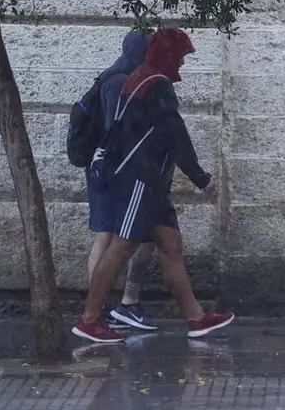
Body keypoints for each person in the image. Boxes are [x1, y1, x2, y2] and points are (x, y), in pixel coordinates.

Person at [72, 28, 235, 343]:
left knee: (171, 247)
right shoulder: (155, 85)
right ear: (168, 56)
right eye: (181, 58)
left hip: (149, 183)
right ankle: (89, 320)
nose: (183, 65)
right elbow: (175, 137)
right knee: (121, 247)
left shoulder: (141, 80)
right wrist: (202, 179)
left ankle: (197, 318)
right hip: (140, 181)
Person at [86, 30, 158, 332]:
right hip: (113, 170)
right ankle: (98, 312)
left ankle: (111, 308)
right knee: (108, 237)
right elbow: (119, 130)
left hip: (108, 167)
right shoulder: (119, 81)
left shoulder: (114, 76)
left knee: (127, 236)